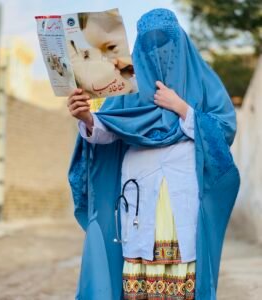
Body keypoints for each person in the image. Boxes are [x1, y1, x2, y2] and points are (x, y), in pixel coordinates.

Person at [67, 8, 240, 300]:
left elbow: (224, 130)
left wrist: (183, 108)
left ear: (181, 44)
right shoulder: (127, 89)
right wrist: (86, 118)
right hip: (138, 203)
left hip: (182, 205)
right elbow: (108, 128)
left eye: (166, 43)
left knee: (185, 276)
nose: (159, 53)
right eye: (149, 46)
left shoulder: (202, 82)